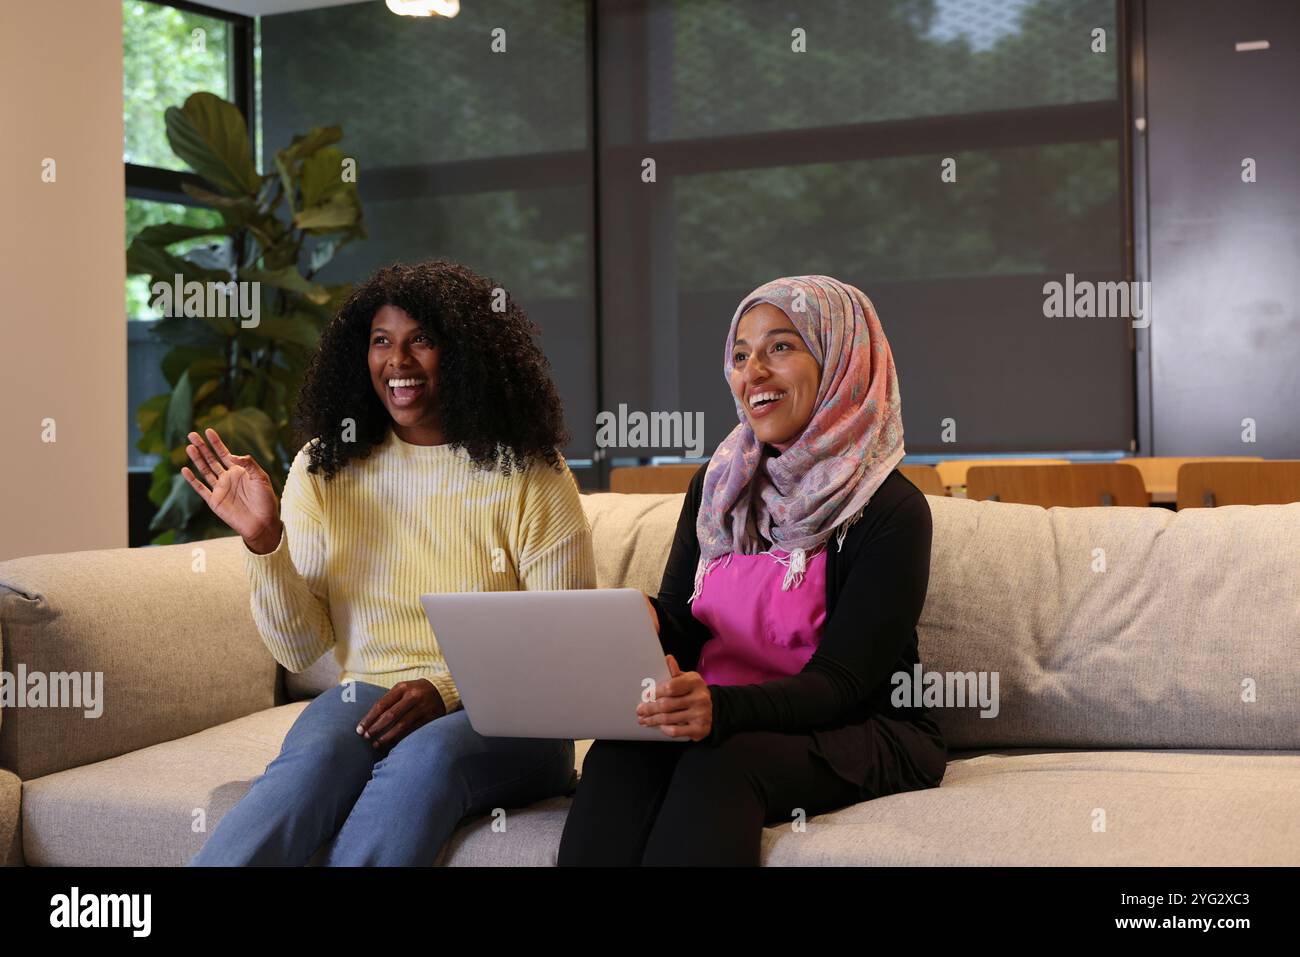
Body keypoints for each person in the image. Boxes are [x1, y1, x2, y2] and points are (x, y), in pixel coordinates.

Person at [185, 260, 595, 866]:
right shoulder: (325, 468)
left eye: (421, 340)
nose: (397, 361)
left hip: (511, 716)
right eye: (381, 341)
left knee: (425, 758)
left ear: (465, 354)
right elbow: (300, 652)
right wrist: (266, 543)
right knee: (312, 765)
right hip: (366, 698)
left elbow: (563, 647)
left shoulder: (530, 471)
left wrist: (446, 690)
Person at [558, 274, 946, 866]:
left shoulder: (890, 509)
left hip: (864, 723)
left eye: (781, 347)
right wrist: (647, 625)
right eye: (740, 355)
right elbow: (686, 624)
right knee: (620, 752)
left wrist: (720, 712)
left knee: (723, 761)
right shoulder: (718, 486)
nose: (752, 372)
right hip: (729, 709)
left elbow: (842, 684)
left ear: (842, 358)